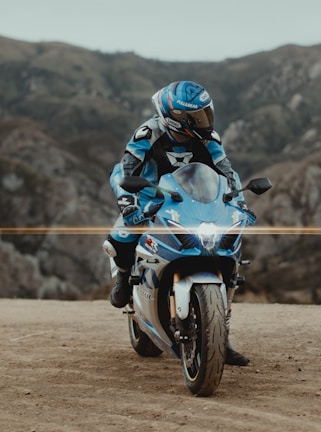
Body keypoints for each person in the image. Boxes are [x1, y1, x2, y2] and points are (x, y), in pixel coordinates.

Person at [104, 80, 252, 366]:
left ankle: (221, 336)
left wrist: (239, 203)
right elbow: (124, 170)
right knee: (120, 236)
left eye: (205, 113)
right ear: (176, 118)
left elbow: (226, 170)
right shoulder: (148, 134)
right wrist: (127, 201)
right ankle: (124, 275)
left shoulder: (209, 138)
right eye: (196, 117)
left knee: (227, 245)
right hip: (150, 197)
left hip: (194, 200)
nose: (204, 121)